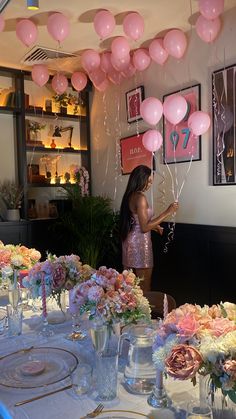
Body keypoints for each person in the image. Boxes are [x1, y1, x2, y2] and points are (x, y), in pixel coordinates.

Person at [120, 165, 179, 292]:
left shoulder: (129, 196)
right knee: (145, 287)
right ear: (141, 179)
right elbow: (144, 227)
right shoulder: (140, 198)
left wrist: (155, 227)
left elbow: (136, 222)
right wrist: (168, 211)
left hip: (129, 243)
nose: (150, 184)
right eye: (149, 181)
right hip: (141, 245)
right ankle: (145, 312)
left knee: (129, 287)